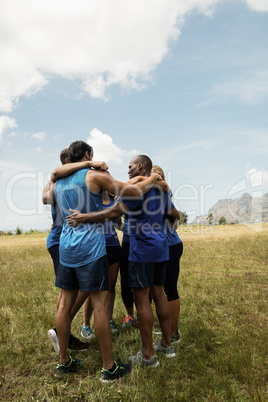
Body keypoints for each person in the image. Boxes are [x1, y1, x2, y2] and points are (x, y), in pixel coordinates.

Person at [42, 142, 162, 380]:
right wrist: (153, 178)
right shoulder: (94, 176)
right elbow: (130, 191)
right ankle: (109, 367)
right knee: (99, 303)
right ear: (87, 155)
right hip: (90, 249)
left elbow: (52, 181)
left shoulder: (58, 183)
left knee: (65, 304)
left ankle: (63, 362)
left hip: (66, 247)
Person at [66, 155, 180, 368]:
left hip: (142, 252)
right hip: (161, 249)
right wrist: (169, 224)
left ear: (140, 166)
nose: (127, 172)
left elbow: (113, 213)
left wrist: (83, 218)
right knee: (159, 293)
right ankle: (167, 344)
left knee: (142, 300)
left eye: (130, 167)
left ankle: (148, 355)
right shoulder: (161, 190)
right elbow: (175, 213)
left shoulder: (135, 192)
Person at [43, 149, 109, 355]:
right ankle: (63, 333)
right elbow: (47, 196)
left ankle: (64, 344)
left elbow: (46, 196)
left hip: (64, 241)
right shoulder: (67, 180)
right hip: (68, 240)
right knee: (73, 294)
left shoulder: (60, 181)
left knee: (68, 295)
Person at [81, 190, 122, 339]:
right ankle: (85, 326)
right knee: (92, 288)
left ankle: (109, 321)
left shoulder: (114, 201)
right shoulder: (90, 199)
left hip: (112, 245)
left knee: (110, 287)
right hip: (95, 246)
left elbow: (118, 224)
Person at [151, 165, 183, 343]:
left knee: (170, 289)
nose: (157, 179)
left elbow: (174, 217)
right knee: (160, 290)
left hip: (171, 246)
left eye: (160, 176)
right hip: (162, 246)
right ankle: (167, 328)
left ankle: (173, 332)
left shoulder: (162, 194)